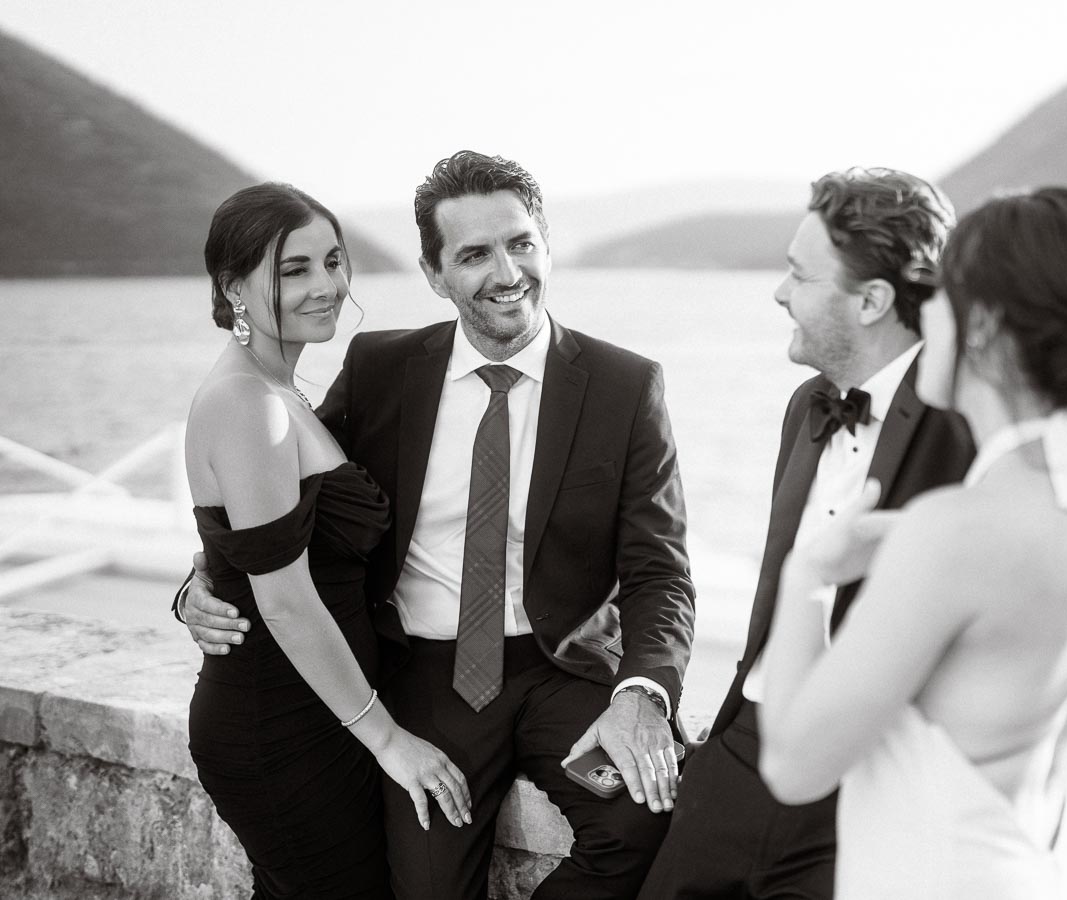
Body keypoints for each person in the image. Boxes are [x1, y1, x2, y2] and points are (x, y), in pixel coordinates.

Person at [638, 171, 1067, 900]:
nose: (928, 310)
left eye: (947, 299)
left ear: (989, 327)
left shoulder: (965, 504)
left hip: (864, 814)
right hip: (785, 779)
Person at [181, 152, 695, 900]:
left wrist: (644, 694)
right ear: (434, 273)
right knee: (424, 887)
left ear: (546, 243)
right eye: (475, 254)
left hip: (566, 673)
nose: (507, 271)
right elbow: (269, 503)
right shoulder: (383, 368)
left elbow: (660, 570)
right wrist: (196, 580)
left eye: (521, 243)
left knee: (646, 821)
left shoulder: (626, 385)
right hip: (425, 677)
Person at [186, 183, 469, 899]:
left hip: (323, 712)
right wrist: (389, 741)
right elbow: (283, 602)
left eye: (334, 262)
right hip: (280, 728)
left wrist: (195, 583)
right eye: (294, 270)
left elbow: (243, 546)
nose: (327, 286)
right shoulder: (246, 402)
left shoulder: (284, 393)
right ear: (234, 288)